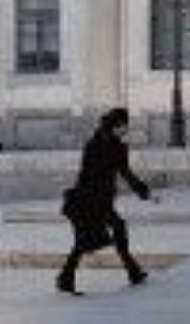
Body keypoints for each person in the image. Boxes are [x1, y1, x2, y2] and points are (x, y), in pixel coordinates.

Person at [57, 107, 152, 295]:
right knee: (95, 236)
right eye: (123, 125)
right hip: (90, 199)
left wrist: (144, 192)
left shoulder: (117, 147)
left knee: (103, 234)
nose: (125, 129)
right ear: (115, 125)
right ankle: (133, 272)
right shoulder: (94, 145)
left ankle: (66, 278)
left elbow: (126, 173)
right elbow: (86, 174)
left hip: (102, 200)